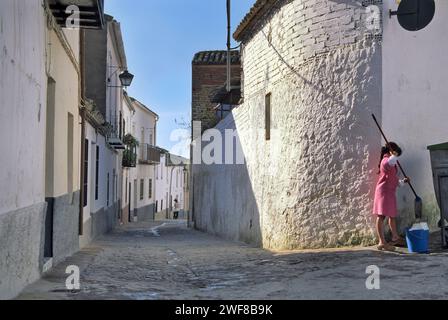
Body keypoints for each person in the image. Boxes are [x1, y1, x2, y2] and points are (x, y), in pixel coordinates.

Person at [373, 142, 410, 252]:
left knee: (392, 215)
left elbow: (394, 180)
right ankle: (382, 242)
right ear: (390, 151)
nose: (397, 156)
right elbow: (390, 161)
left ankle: (395, 237)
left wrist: (403, 181)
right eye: (395, 153)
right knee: (381, 216)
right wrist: (394, 154)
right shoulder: (386, 160)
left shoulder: (392, 163)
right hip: (383, 192)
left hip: (390, 192)